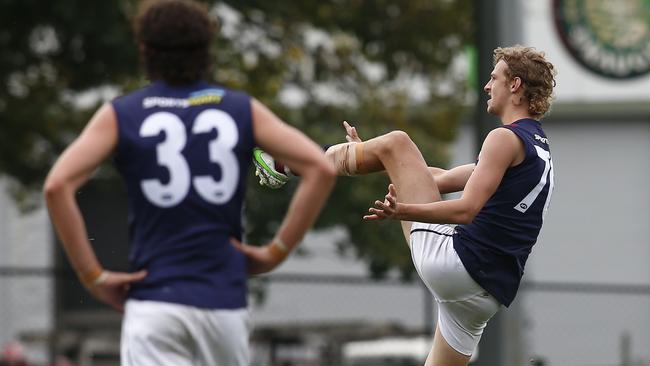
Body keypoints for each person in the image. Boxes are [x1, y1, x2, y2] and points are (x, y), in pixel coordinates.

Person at [43, 0, 336, 365]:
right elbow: (319, 168)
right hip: (223, 307)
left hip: (155, 302)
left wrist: (93, 277)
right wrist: (275, 252)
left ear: (144, 49)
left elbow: (57, 186)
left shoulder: (123, 113)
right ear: (207, 50)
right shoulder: (239, 108)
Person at [256, 45, 556, 366]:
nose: (486, 85)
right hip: (487, 293)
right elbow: (434, 179)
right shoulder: (537, 149)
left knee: (398, 141)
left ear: (515, 85)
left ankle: (291, 162)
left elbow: (465, 209)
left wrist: (403, 210)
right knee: (393, 149)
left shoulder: (502, 139)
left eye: (494, 77)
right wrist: (368, 153)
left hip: (459, 266)